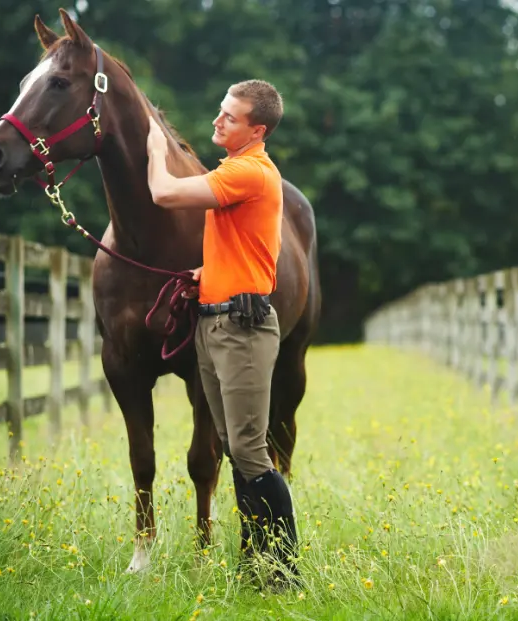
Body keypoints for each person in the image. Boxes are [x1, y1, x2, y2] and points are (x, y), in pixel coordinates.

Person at [144, 79, 299, 590]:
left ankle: (282, 572)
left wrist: (153, 146)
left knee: (250, 450)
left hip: (242, 328)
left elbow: (164, 193)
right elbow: (254, 246)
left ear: (256, 130)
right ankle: (256, 564)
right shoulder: (237, 171)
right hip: (215, 319)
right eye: (219, 111)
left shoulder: (250, 171)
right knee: (233, 444)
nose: (217, 120)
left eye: (229, 118)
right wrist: (206, 274)